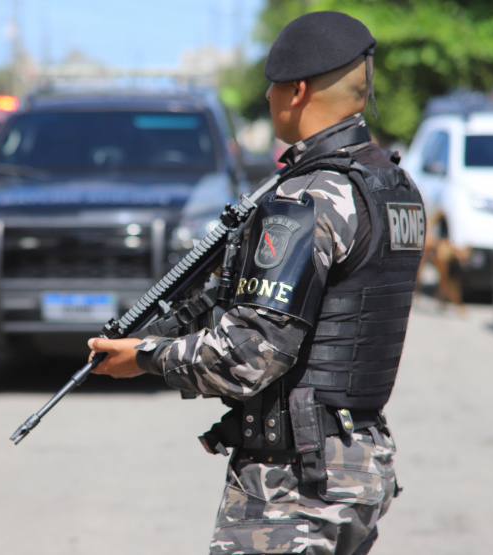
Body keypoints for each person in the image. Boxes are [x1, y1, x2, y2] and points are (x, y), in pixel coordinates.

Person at [88, 11, 425, 555]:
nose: (267, 98)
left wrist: (145, 355)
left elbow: (248, 354)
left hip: (293, 488)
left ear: (295, 91)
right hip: (357, 467)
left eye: (272, 86)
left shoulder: (307, 199)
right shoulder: (394, 186)